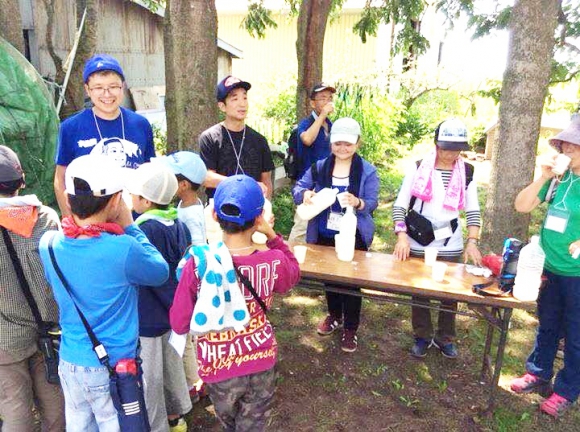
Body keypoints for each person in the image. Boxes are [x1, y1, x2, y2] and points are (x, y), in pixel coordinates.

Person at [39, 154, 169, 431]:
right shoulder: (123, 249)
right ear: (115, 201)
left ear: (68, 197)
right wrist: (130, 225)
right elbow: (160, 271)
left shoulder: (48, 244)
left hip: (71, 362)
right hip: (116, 368)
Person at [170, 174, 300, 432]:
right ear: (259, 217)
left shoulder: (198, 264)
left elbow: (179, 321)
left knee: (229, 422)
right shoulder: (272, 260)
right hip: (260, 361)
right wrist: (273, 236)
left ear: (215, 216)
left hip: (219, 367)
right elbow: (292, 274)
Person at [392, 119, 482, 359]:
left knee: (449, 292)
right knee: (420, 291)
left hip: (450, 242)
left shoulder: (468, 172)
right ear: (436, 144)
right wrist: (401, 236)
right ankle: (422, 335)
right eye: (445, 147)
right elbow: (400, 206)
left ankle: (445, 338)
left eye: (456, 148)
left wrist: (472, 241)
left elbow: (473, 210)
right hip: (418, 240)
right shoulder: (419, 167)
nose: (450, 153)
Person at [510, 115, 580, 418]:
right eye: (566, 141)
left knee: (576, 335)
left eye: (574, 143)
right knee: (548, 325)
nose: (567, 146)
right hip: (549, 268)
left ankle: (566, 390)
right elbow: (522, 206)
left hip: (576, 275)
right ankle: (538, 373)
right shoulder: (559, 178)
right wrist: (542, 176)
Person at [292, 117, 379, 352]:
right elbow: (298, 188)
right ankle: (334, 315)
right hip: (324, 231)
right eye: (338, 143)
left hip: (353, 235)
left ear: (357, 144)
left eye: (348, 144)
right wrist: (306, 195)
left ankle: (350, 327)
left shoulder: (367, 171)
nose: (343, 148)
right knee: (330, 279)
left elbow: (372, 202)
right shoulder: (320, 166)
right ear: (331, 143)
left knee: (351, 282)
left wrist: (358, 202)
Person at [0, 146, 64, 431]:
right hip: (48, 333)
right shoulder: (47, 218)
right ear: (21, 180)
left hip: (4, 341)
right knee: (57, 406)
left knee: (16, 412)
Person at [126, 162, 192, 432]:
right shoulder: (178, 223)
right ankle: (177, 415)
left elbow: (151, 275)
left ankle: (157, 426)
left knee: (150, 377)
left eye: (132, 195)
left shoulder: (145, 231)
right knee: (171, 367)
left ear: (145, 200)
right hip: (173, 315)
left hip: (150, 317)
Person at [54, 54, 155, 215]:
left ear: (122, 86)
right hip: (89, 222)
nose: (107, 94)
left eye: (113, 86)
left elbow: (148, 172)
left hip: (136, 222)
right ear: (88, 89)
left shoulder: (140, 124)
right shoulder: (70, 128)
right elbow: (61, 178)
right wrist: (70, 218)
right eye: (99, 88)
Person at [154, 151, 208, 401]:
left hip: (189, 282)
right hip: (184, 280)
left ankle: (195, 383)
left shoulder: (191, 215)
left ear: (183, 184)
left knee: (186, 337)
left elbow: (197, 251)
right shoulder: (187, 204)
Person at [199, 75, 275, 200]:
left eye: (245, 97)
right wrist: (244, 184)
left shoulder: (259, 140)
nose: (242, 104)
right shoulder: (210, 137)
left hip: (252, 210)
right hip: (219, 209)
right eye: (235, 99)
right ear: (222, 106)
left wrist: (266, 208)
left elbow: (266, 181)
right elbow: (207, 178)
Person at [288, 82, 336, 243]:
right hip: (308, 184)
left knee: (322, 227)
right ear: (312, 103)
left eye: (329, 98)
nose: (327, 101)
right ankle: (292, 261)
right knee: (302, 226)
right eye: (322, 98)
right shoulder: (306, 123)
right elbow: (307, 139)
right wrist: (322, 115)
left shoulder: (330, 125)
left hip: (327, 184)